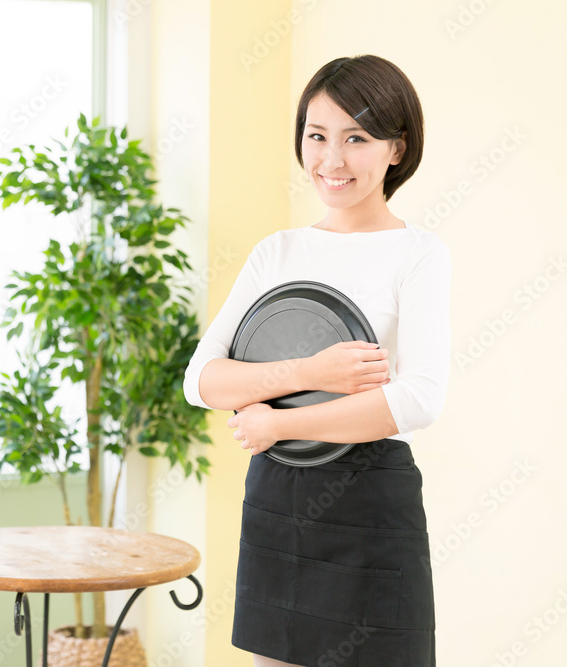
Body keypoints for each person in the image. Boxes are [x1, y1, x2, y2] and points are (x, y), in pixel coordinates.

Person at [183, 55, 450, 666]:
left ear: (395, 148)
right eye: (317, 135)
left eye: (356, 137)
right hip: (279, 497)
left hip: (372, 504)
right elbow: (202, 380)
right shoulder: (276, 253)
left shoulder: (418, 254)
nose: (332, 159)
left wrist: (278, 422)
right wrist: (310, 374)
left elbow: (416, 400)